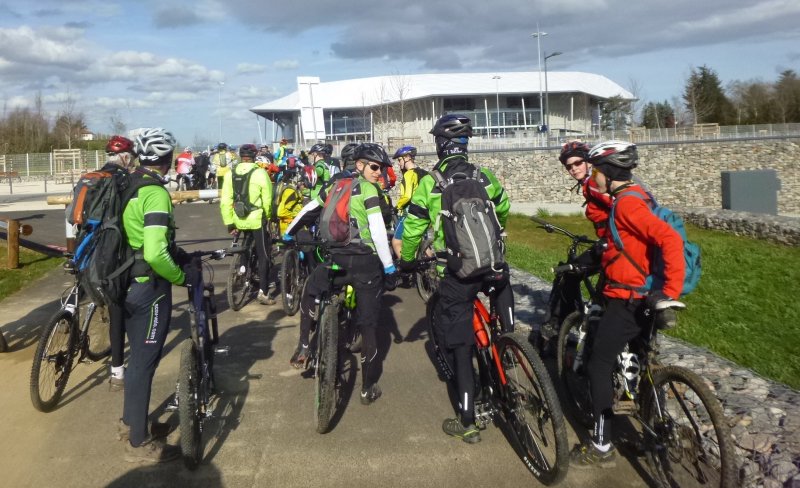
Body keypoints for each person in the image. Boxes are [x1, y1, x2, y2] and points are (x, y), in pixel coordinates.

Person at [397, 114, 512, 443]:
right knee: (500, 294)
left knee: (460, 344)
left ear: (440, 145)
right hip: (494, 265)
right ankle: (509, 343)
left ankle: (467, 419)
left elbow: (415, 228)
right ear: (465, 145)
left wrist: (407, 262)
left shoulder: (430, 183)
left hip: (459, 273)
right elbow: (503, 208)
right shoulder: (483, 175)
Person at [570, 140, 685, 468]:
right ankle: (650, 426)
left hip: (629, 299)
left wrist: (670, 291)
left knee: (599, 365)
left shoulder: (627, 204)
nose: (593, 177)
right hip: (643, 293)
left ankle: (602, 444)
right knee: (641, 357)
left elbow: (669, 238)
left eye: (595, 170)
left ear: (606, 171)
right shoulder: (640, 196)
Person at [283, 142, 398, 405]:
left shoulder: (334, 186)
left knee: (312, 290)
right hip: (366, 263)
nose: (379, 172)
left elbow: (308, 210)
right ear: (360, 166)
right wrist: (389, 267)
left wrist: (289, 233)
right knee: (369, 326)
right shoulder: (369, 189)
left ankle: (303, 346)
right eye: (375, 167)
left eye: (381, 168)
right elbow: (379, 232)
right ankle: (367, 388)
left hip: (337, 258)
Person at [120, 127, 189, 463]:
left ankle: (130, 421)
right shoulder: (155, 193)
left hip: (121, 282)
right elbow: (155, 253)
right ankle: (139, 440)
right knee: (145, 362)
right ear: (167, 158)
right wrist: (180, 278)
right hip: (149, 287)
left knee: (136, 360)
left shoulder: (126, 182)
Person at [539, 141, 612, 352]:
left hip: (613, 247)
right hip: (613, 244)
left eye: (578, 163)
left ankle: (555, 330)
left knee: (568, 274)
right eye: (569, 166)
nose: (574, 169)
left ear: (588, 161)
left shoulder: (593, 184)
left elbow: (620, 206)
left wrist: (611, 238)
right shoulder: (595, 181)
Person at [88, 136, 138, 392]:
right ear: (125, 156)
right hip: (112, 249)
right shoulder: (123, 179)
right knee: (116, 304)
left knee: (89, 287)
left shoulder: (91, 177)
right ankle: (117, 370)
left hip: (87, 248)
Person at [220, 143, 277, 305]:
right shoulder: (260, 173)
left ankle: (243, 268)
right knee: (263, 254)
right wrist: (268, 215)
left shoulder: (230, 174)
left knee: (246, 243)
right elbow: (267, 198)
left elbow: (225, 201)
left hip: (239, 219)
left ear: (240, 157)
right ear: (254, 157)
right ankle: (263, 292)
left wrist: (230, 223)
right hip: (257, 219)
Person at [390, 145, 428, 259]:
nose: (399, 163)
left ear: (407, 157)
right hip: (424, 212)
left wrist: (398, 206)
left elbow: (407, 195)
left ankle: (407, 268)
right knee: (422, 243)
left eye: (400, 160)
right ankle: (431, 268)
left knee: (397, 242)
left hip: (410, 212)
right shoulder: (424, 173)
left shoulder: (408, 174)